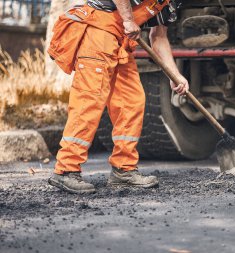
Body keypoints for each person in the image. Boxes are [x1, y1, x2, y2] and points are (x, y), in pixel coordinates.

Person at [47, 0, 189, 194]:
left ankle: (124, 170)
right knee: (88, 103)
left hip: (120, 41)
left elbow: (159, 36)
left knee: (131, 102)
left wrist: (175, 75)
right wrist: (129, 20)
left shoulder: (171, 3)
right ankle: (66, 169)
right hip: (98, 32)